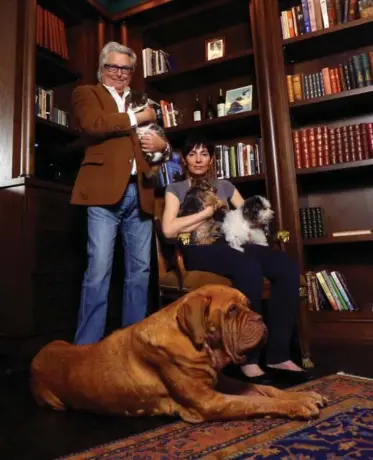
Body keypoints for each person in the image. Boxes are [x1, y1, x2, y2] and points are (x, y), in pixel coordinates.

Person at [162, 136, 308, 383]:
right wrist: (207, 213)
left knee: (286, 267)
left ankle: (278, 354)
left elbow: (247, 215)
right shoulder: (175, 189)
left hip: (230, 242)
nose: (198, 159)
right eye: (192, 154)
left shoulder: (225, 186)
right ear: (185, 160)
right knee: (247, 267)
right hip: (199, 247)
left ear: (211, 159)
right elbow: (168, 229)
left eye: (204, 154)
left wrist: (259, 216)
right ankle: (248, 357)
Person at [71, 41, 170, 345]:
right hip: (102, 194)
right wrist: (137, 119)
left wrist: (162, 148)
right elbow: (94, 125)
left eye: (126, 68)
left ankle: (132, 346)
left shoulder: (142, 100)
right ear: (102, 68)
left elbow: (160, 149)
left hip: (140, 193)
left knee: (140, 273)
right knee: (98, 270)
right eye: (113, 67)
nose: (119, 73)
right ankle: (86, 348)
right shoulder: (87, 93)